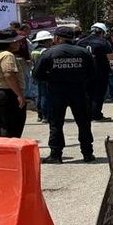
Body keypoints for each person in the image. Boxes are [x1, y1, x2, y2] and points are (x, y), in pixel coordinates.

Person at [33, 26, 96, 164]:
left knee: (56, 124)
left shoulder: (49, 53)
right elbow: (92, 73)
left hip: (56, 92)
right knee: (84, 123)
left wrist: (51, 78)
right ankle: (88, 153)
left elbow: (37, 74)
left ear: (57, 38)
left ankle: (56, 155)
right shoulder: (83, 52)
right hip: (79, 91)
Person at [0, 29, 27, 137]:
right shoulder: (7, 55)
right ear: (10, 43)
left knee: (1, 123)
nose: (19, 43)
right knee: (12, 126)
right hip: (7, 93)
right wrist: (20, 95)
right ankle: (10, 150)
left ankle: (1, 149)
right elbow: (9, 75)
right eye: (17, 41)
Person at [77, 22, 113, 121]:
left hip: (84, 73)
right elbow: (111, 58)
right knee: (98, 95)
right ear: (102, 32)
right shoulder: (104, 42)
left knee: (87, 94)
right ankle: (96, 115)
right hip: (100, 73)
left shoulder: (80, 42)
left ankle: (87, 115)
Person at [30, 30, 53, 122]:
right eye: (50, 40)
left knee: (39, 95)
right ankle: (45, 115)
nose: (51, 42)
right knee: (45, 95)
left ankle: (40, 115)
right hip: (45, 75)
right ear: (45, 41)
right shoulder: (45, 51)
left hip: (36, 75)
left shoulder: (34, 51)